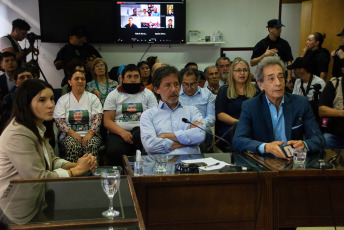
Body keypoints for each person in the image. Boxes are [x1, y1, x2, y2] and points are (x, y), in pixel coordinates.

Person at [0, 79, 97, 197]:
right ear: (26, 103)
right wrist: (74, 171)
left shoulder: (38, 125)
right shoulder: (17, 134)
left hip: (35, 195)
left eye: (51, 98)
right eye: (42, 100)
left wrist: (78, 165)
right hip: (16, 201)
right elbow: (37, 177)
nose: (51, 104)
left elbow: (52, 160)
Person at [233, 56, 324, 159]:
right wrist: (266, 147)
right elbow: (238, 140)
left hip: (294, 163)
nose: (278, 83)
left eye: (281, 77)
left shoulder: (301, 103)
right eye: (271, 79)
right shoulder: (251, 106)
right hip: (264, 163)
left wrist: (304, 145)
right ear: (260, 85)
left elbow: (319, 139)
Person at [140, 66, 205, 156]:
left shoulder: (192, 110)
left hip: (191, 164)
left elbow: (200, 135)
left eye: (176, 84)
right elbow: (150, 146)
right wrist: (188, 140)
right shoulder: (148, 115)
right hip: (162, 166)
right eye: (167, 85)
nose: (174, 89)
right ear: (157, 89)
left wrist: (165, 136)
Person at [103, 64, 157, 166]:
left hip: (142, 132)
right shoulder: (113, 95)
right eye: (129, 77)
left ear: (140, 78)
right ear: (122, 79)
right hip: (118, 133)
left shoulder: (148, 94)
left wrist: (142, 131)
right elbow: (107, 121)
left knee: (142, 144)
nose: (133, 80)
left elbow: (154, 118)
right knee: (114, 151)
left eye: (136, 76)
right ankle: (122, 176)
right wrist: (123, 133)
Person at [54, 69, 103, 162]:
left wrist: (89, 134)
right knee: (73, 145)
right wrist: (72, 133)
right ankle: (74, 173)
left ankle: (91, 174)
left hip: (91, 135)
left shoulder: (93, 98)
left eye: (82, 79)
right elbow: (59, 121)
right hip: (68, 135)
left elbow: (98, 118)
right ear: (70, 82)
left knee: (91, 145)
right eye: (76, 79)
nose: (80, 81)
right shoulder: (63, 100)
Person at [215, 58, 259, 149]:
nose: (242, 73)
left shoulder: (256, 89)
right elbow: (220, 114)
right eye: (238, 70)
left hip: (252, 124)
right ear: (232, 73)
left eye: (245, 70)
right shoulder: (224, 90)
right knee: (240, 133)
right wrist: (239, 123)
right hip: (231, 126)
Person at [179, 68, 215, 152]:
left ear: (198, 82)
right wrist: (188, 127)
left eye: (192, 84)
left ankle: (206, 156)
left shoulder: (207, 94)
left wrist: (199, 124)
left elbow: (211, 116)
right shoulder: (176, 94)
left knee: (207, 131)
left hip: (201, 126)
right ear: (181, 82)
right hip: (182, 126)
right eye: (185, 84)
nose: (189, 88)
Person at [0, 67, 34, 134]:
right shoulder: (8, 98)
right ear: (16, 82)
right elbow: (6, 120)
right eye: (22, 77)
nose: (26, 79)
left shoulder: (41, 96)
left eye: (29, 77)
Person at [318, 68, 344, 149]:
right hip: (336, 135)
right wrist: (342, 113)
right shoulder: (335, 83)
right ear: (343, 69)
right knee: (323, 141)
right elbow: (321, 110)